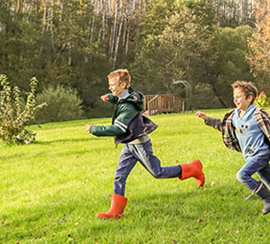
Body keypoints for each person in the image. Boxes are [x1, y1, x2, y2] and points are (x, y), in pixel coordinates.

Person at [86, 69, 204, 219]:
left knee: (157, 172)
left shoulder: (128, 106)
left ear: (123, 84)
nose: (110, 87)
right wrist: (110, 97)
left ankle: (192, 169)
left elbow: (118, 128)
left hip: (139, 144)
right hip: (129, 144)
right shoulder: (128, 95)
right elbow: (121, 99)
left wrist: (95, 129)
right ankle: (116, 212)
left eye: (112, 85)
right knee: (119, 175)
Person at [195, 80, 270, 215]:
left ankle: (268, 199)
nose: (235, 100)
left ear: (249, 98)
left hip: (261, 154)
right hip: (250, 156)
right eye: (234, 97)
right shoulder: (234, 116)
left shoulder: (257, 114)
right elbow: (223, 126)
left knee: (242, 175)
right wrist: (207, 119)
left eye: (238, 97)